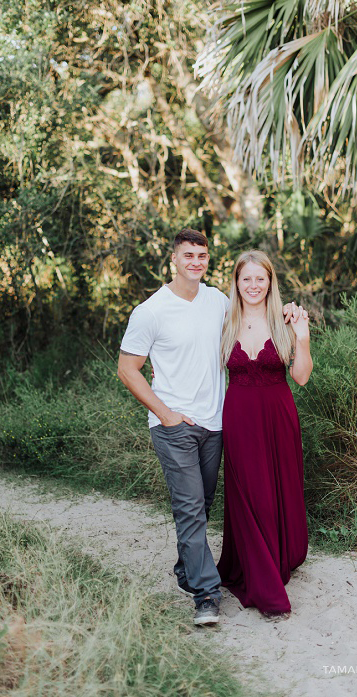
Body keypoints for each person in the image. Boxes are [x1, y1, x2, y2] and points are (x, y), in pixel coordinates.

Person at [117, 228, 228, 626]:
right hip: (173, 426)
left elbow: (253, 320)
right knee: (190, 509)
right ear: (174, 260)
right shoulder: (151, 311)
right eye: (188, 255)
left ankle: (186, 570)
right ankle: (206, 596)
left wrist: (289, 315)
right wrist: (166, 414)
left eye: (202, 255)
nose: (196, 262)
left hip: (214, 423)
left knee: (203, 506)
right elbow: (128, 371)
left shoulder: (218, 301)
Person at [215, 250, 312, 618]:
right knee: (249, 491)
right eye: (246, 279)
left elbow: (301, 376)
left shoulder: (286, 319)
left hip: (277, 415)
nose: (253, 285)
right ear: (236, 283)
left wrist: (301, 338)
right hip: (239, 416)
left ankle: (279, 555)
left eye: (260, 278)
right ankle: (264, 582)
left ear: (270, 281)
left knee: (277, 488)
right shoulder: (223, 319)